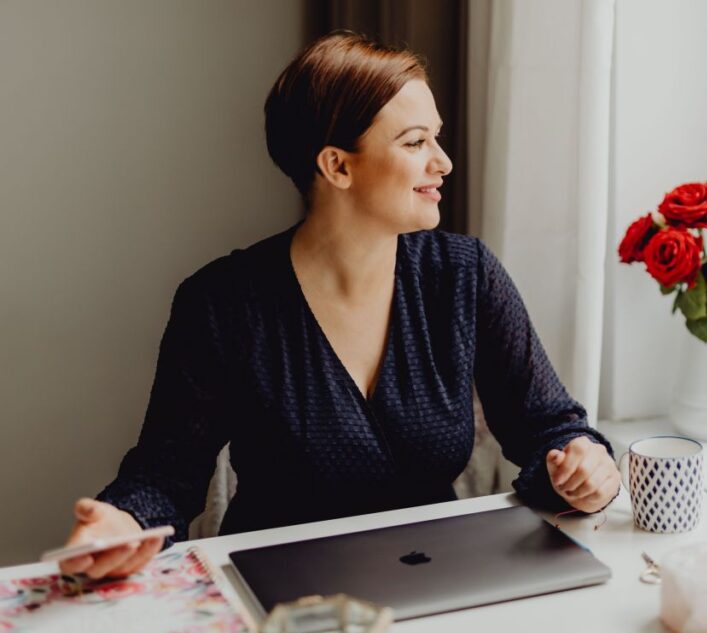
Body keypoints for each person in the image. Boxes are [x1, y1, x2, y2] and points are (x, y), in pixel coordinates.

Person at [59, 31, 619, 580]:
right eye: (415, 142)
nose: (443, 162)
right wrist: (121, 521)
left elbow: (551, 429)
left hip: (438, 579)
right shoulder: (224, 304)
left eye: (437, 139)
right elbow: (163, 479)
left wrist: (584, 466)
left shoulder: (464, 275)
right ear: (338, 167)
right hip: (285, 606)